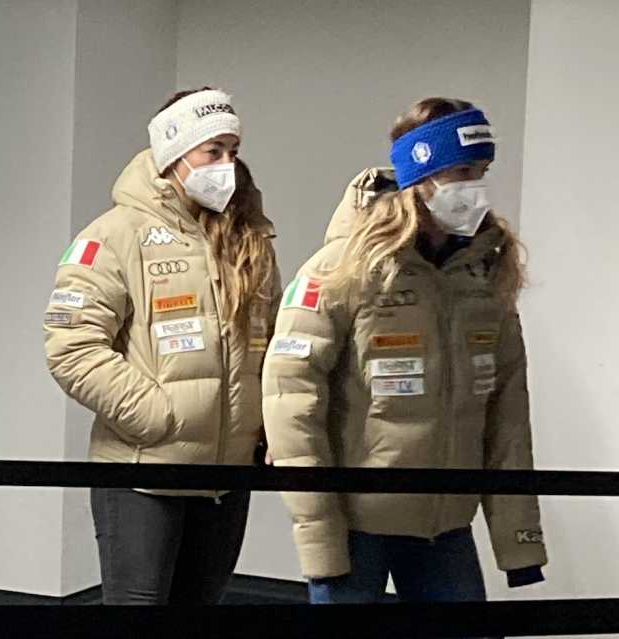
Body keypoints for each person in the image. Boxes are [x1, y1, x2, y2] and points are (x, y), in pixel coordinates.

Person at [262, 97, 547, 608]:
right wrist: (319, 533)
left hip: (446, 525)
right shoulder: (342, 269)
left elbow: (508, 416)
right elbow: (291, 404)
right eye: (462, 172)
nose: (476, 188)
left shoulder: (483, 272)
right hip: (357, 526)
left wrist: (519, 541)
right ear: (423, 175)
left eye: (482, 172)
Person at [44, 88, 280, 604]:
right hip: (142, 475)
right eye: (212, 151)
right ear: (174, 154)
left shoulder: (249, 240)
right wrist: (160, 418)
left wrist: (262, 429)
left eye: (233, 151)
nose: (227, 166)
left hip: (226, 477)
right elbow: (71, 347)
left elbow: (272, 345)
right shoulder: (114, 235)